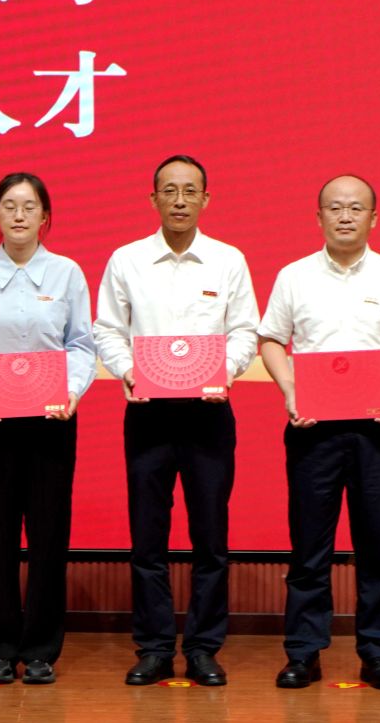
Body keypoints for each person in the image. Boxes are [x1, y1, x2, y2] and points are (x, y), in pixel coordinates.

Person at [257, 174, 380, 692]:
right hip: (312, 429)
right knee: (309, 547)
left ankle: (377, 652)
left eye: (356, 208)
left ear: (373, 218)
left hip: (375, 429)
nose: (345, 216)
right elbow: (270, 340)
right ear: (318, 217)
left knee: (376, 545)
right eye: (334, 207)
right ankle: (303, 652)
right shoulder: (294, 276)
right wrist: (290, 389)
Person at [92, 154, 260, 687]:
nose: (180, 200)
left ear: (206, 199)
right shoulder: (127, 260)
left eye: (190, 191)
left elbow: (245, 330)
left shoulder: (228, 260)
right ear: (154, 199)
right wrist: (128, 370)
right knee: (148, 539)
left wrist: (222, 374)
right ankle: (155, 648)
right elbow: (106, 329)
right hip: (149, 415)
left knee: (210, 539)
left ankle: (205, 648)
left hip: (209, 414)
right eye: (169, 190)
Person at [0, 172, 96, 686]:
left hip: (53, 422)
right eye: (9, 206)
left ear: (45, 217)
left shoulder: (67, 273)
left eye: (29, 207)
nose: (19, 215)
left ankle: (42, 649)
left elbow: (81, 345)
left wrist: (71, 393)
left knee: (50, 537)